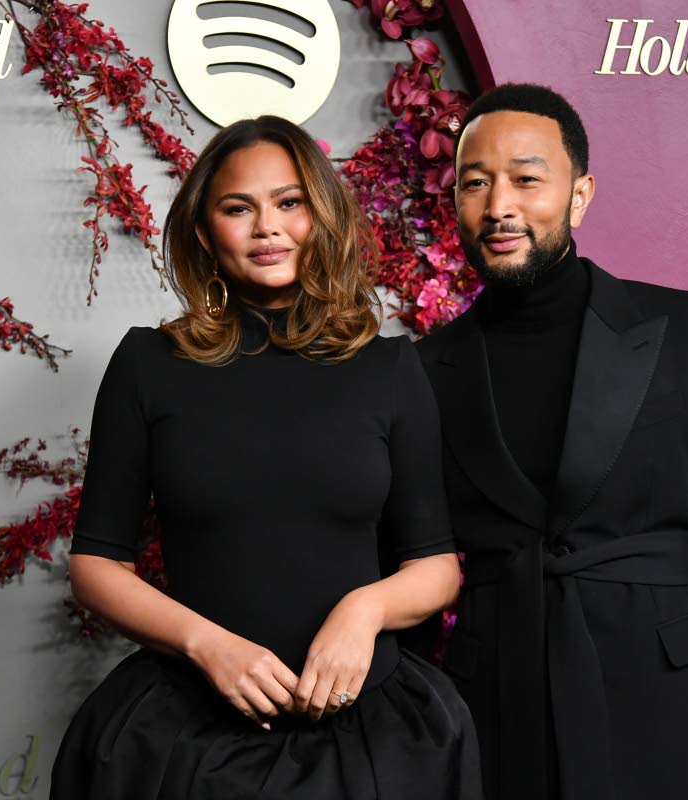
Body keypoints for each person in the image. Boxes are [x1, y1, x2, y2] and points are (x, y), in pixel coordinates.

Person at [50, 115, 482, 800]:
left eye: (289, 202)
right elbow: (97, 566)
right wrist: (206, 644)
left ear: (322, 217)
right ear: (204, 232)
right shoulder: (148, 364)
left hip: (370, 735)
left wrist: (364, 612)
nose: (267, 227)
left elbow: (434, 569)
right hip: (187, 741)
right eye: (237, 208)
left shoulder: (390, 368)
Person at [411, 84, 688, 800]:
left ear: (580, 195)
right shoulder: (423, 370)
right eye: (475, 183)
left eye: (526, 179)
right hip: (498, 716)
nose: (499, 205)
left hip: (671, 708)